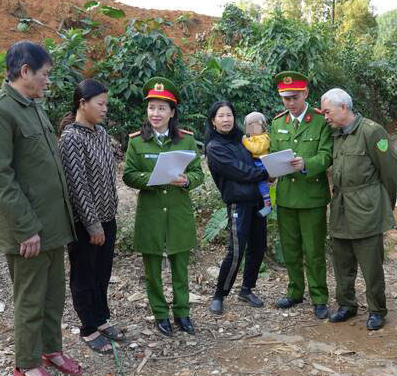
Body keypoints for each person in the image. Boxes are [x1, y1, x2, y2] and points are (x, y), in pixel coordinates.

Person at [0, 41, 81, 376]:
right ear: (25, 72)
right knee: (31, 296)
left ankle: (51, 349)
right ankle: (27, 362)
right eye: (45, 74)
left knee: (53, 294)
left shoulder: (33, 107)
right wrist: (25, 229)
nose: (48, 81)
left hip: (52, 224)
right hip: (29, 229)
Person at [122, 77, 204, 337]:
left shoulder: (186, 141)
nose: (155, 113)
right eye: (151, 108)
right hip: (151, 214)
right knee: (153, 270)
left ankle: (182, 312)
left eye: (161, 108)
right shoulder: (137, 142)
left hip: (178, 212)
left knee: (181, 267)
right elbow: (129, 175)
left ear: (172, 112)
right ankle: (160, 314)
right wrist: (153, 179)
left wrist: (187, 180)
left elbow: (198, 174)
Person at [319, 88, 397, 330]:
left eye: (328, 112)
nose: (325, 117)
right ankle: (346, 305)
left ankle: (377, 310)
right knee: (342, 261)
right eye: (323, 113)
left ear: (343, 107)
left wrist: (384, 204)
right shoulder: (336, 134)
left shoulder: (372, 131)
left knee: (370, 264)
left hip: (366, 207)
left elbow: (391, 172)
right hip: (341, 206)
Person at [59, 79, 125, 355]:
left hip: (107, 217)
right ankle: (88, 328)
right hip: (86, 223)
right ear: (82, 104)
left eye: (106, 104)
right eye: (100, 103)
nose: (104, 109)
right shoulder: (71, 138)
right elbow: (77, 186)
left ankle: (101, 319)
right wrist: (93, 224)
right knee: (84, 273)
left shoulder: (99, 133)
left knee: (102, 272)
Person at [269, 71, 333, 320]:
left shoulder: (319, 121)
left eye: (294, 97)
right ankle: (295, 291)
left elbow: (327, 156)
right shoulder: (278, 123)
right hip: (285, 196)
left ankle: (319, 297)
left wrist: (305, 163)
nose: (290, 103)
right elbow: (274, 153)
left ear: (306, 94)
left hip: (311, 198)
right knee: (291, 249)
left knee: (314, 250)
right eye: (285, 98)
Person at [204, 101, 270, 315]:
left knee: (258, 247)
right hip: (238, 203)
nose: (226, 119)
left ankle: (247, 289)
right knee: (236, 251)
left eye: (229, 115)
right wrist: (264, 173)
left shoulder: (244, 140)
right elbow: (238, 171)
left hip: (257, 201)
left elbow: (259, 157)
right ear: (213, 121)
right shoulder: (214, 147)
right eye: (221, 116)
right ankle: (219, 295)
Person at [242, 112, 273, 217]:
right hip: (252, 163)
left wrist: (246, 142)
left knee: (262, 185)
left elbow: (257, 149)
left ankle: (268, 206)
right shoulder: (250, 136)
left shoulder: (264, 138)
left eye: (255, 126)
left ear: (262, 126)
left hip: (261, 163)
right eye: (249, 126)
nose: (252, 129)